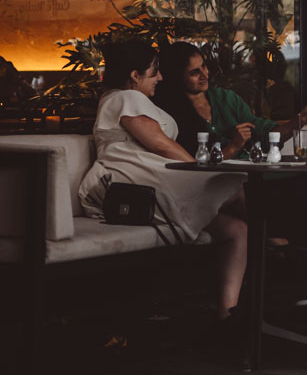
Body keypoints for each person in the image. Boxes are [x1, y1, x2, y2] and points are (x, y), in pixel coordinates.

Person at [78, 41, 247, 321]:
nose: (160, 77)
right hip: (132, 181)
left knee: (236, 229)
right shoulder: (125, 98)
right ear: (134, 75)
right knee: (236, 190)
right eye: (154, 71)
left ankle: (227, 316)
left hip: (148, 176)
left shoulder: (130, 99)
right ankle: (280, 240)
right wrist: (199, 171)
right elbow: (160, 144)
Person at [155, 41, 307, 158]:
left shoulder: (226, 98)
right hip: (212, 182)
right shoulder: (169, 114)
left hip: (247, 175)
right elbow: (194, 163)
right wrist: (234, 145)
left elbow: (265, 134)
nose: (204, 75)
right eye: (194, 72)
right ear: (177, 77)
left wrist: (302, 118)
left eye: (204, 66)